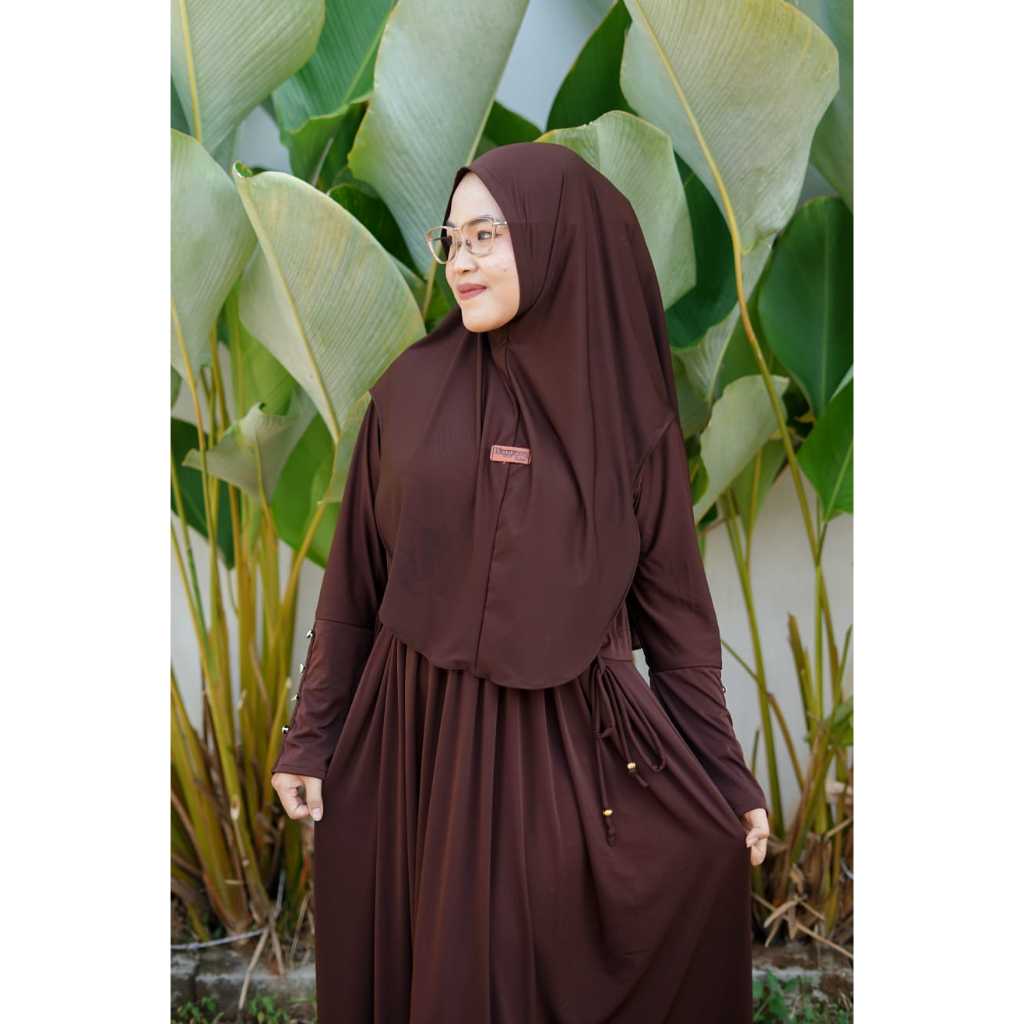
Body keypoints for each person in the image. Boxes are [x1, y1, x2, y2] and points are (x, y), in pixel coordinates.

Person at [272, 142, 769, 1023]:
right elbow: (354, 589)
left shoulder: (632, 426)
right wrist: (309, 737)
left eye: (486, 236)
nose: (460, 261)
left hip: (569, 758)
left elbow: (680, 628)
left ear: (553, 239)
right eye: (452, 240)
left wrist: (728, 780)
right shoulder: (408, 395)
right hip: (414, 744)